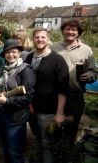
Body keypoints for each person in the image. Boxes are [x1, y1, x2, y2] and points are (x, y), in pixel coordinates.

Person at [51, 19, 97, 146]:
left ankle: (68, 151)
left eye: (74, 30)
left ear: (78, 32)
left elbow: (94, 72)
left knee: (72, 127)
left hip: (75, 95)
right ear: (63, 31)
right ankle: (54, 152)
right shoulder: (53, 47)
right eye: (67, 29)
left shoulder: (86, 50)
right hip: (55, 95)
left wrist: (90, 75)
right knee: (54, 126)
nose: (70, 32)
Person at [26, 28, 69, 163]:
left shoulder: (57, 60)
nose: (39, 40)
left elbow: (63, 89)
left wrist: (59, 113)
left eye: (43, 37)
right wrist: (28, 104)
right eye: (37, 37)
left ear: (48, 39)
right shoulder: (29, 57)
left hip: (49, 111)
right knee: (37, 139)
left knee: (47, 144)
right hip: (33, 109)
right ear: (33, 40)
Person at [0, 39, 35, 163]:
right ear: (4, 55)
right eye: (8, 52)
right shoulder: (2, 69)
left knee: (15, 151)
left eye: (14, 52)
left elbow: (29, 96)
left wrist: (7, 101)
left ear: (19, 53)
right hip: (1, 115)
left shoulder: (26, 70)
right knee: (4, 146)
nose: (11, 55)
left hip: (16, 117)